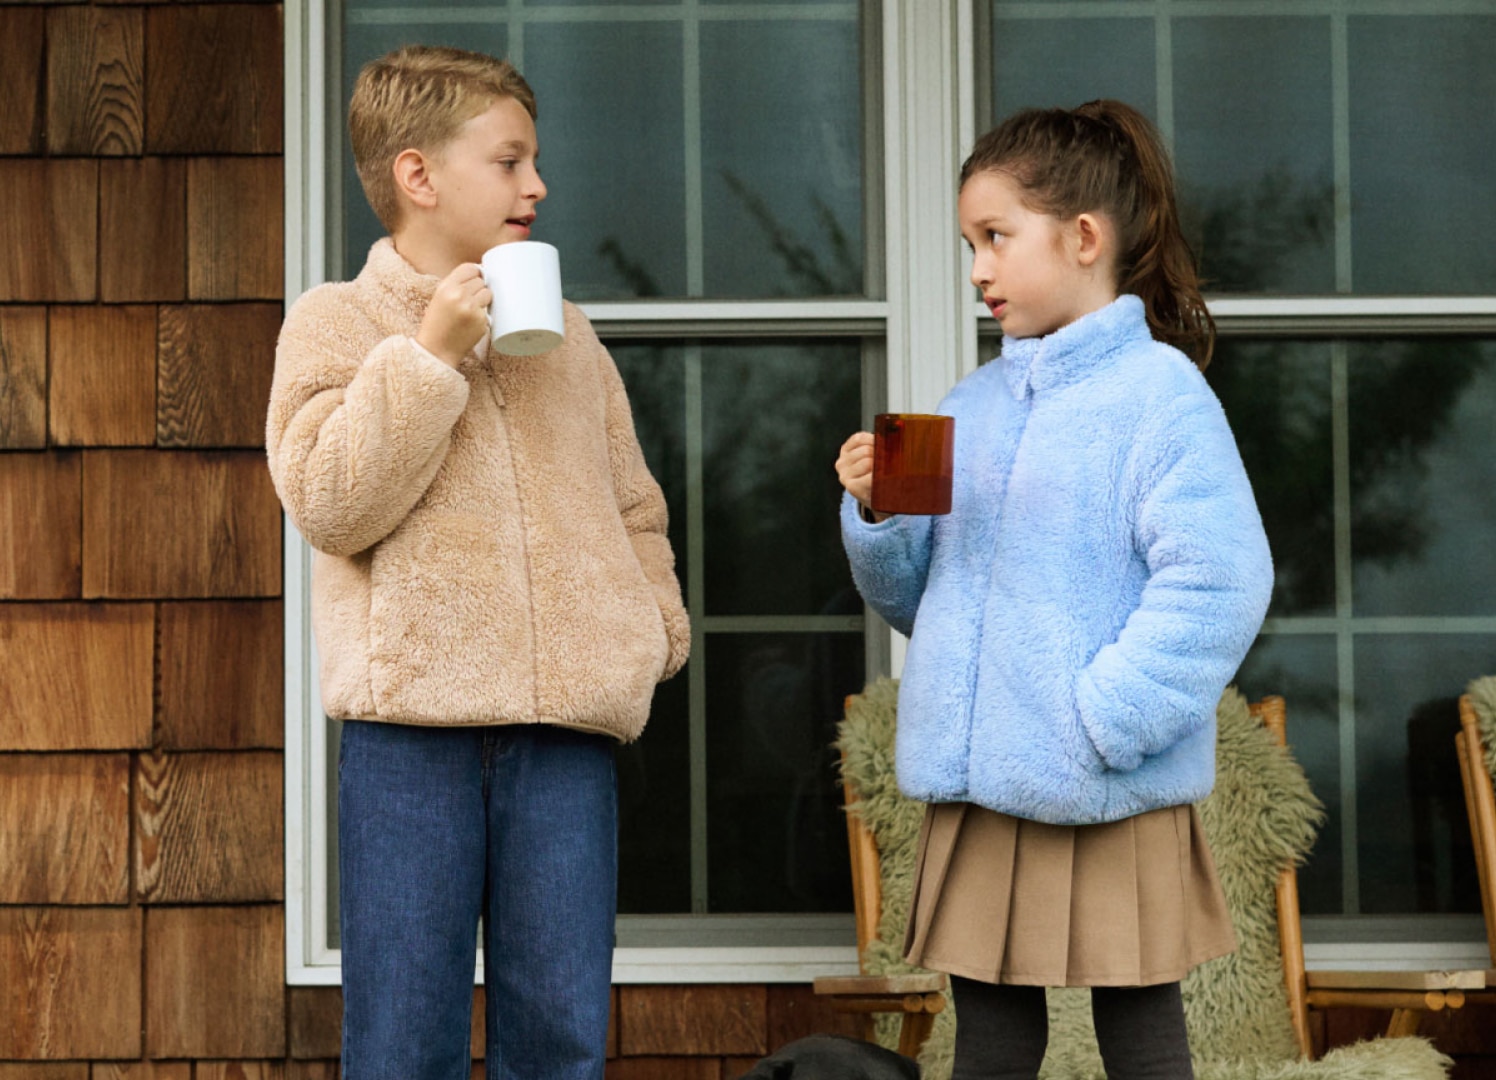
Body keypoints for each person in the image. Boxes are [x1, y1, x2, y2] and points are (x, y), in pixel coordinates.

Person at [265, 45, 689, 1080]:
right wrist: (430, 354)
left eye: (532, 162)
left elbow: (635, 509)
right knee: (403, 1041)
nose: (536, 184)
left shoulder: (573, 339)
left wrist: (650, 638)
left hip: (564, 740)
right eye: (509, 161)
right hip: (412, 742)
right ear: (418, 176)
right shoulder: (336, 322)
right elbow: (329, 503)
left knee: (559, 1039)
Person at [834, 100, 1273, 1080]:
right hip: (980, 785)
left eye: (995, 237)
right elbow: (921, 602)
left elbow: (1222, 579)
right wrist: (875, 516)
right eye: (967, 245)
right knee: (988, 1032)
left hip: (1104, 771)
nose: (978, 268)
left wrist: (1106, 718)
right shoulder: (961, 407)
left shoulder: (1160, 396)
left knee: (1139, 1027)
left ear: (1083, 238)